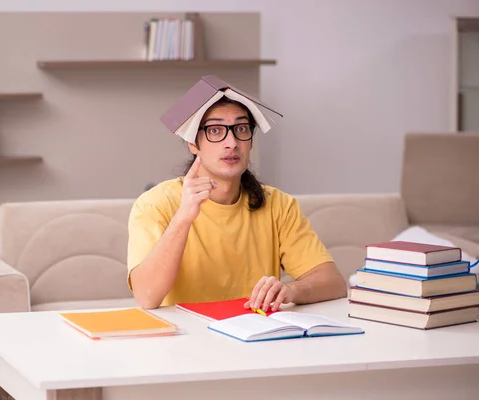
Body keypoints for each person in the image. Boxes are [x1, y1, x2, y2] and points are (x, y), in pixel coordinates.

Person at [126, 81, 347, 311]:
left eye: (241, 129)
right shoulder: (155, 204)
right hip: (185, 339)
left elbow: (333, 283)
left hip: (256, 336)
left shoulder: (279, 204)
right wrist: (183, 218)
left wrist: (291, 290)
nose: (232, 143)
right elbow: (147, 297)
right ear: (193, 143)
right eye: (215, 131)